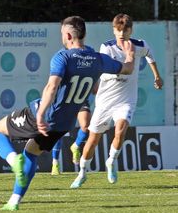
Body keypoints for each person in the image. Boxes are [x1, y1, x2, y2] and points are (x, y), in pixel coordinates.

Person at [0, 16, 136, 211]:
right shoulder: (97, 59)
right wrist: (130, 55)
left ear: (67, 35)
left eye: (61, 34)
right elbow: (127, 69)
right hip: (64, 124)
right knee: (31, 154)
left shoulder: (63, 56)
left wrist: (40, 114)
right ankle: (14, 202)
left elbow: (52, 86)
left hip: (45, 116)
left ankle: (14, 162)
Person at [70, 13, 163, 188]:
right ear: (113, 30)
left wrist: (157, 76)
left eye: (125, 30)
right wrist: (129, 58)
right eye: (118, 30)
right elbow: (115, 69)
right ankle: (82, 173)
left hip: (126, 99)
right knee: (93, 139)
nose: (121, 33)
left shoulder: (140, 45)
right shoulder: (107, 47)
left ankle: (111, 161)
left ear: (131, 30)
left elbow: (150, 55)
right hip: (105, 100)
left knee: (120, 130)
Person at [50, 101, 91, 175]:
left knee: (85, 126)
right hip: (64, 102)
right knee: (59, 130)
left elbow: (94, 90)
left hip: (80, 100)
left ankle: (76, 146)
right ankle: (55, 162)